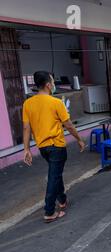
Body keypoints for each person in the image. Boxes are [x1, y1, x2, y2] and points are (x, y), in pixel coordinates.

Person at [22, 71, 86, 223]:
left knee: (55, 174)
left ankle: (62, 199)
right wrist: (79, 139)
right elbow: (69, 125)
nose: (54, 85)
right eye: (52, 81)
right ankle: (49, 211)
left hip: (43, 148)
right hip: (56, 146)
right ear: (48, 85)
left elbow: (26, 128)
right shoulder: (56, 102)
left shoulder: (28, 103)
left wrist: (26, 149)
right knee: (53, 177)